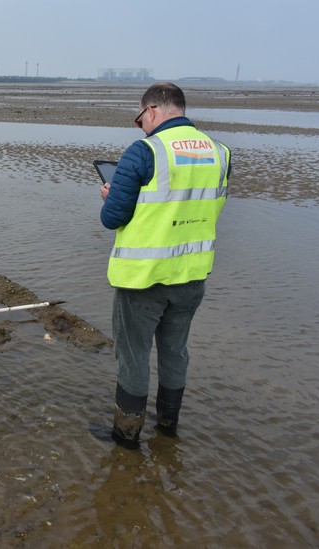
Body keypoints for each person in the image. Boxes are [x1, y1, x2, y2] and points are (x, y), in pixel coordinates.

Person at [99, 83, 231, 450]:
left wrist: (110, 196)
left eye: (139, 118)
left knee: (133, 357)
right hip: (192, 276)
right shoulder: (220, 153)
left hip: (144, 279)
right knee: (175, 351)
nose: (140, 126)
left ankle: (126, 437)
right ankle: (168, 427)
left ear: (153, 110)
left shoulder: (144, 152)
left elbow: (112, 218)